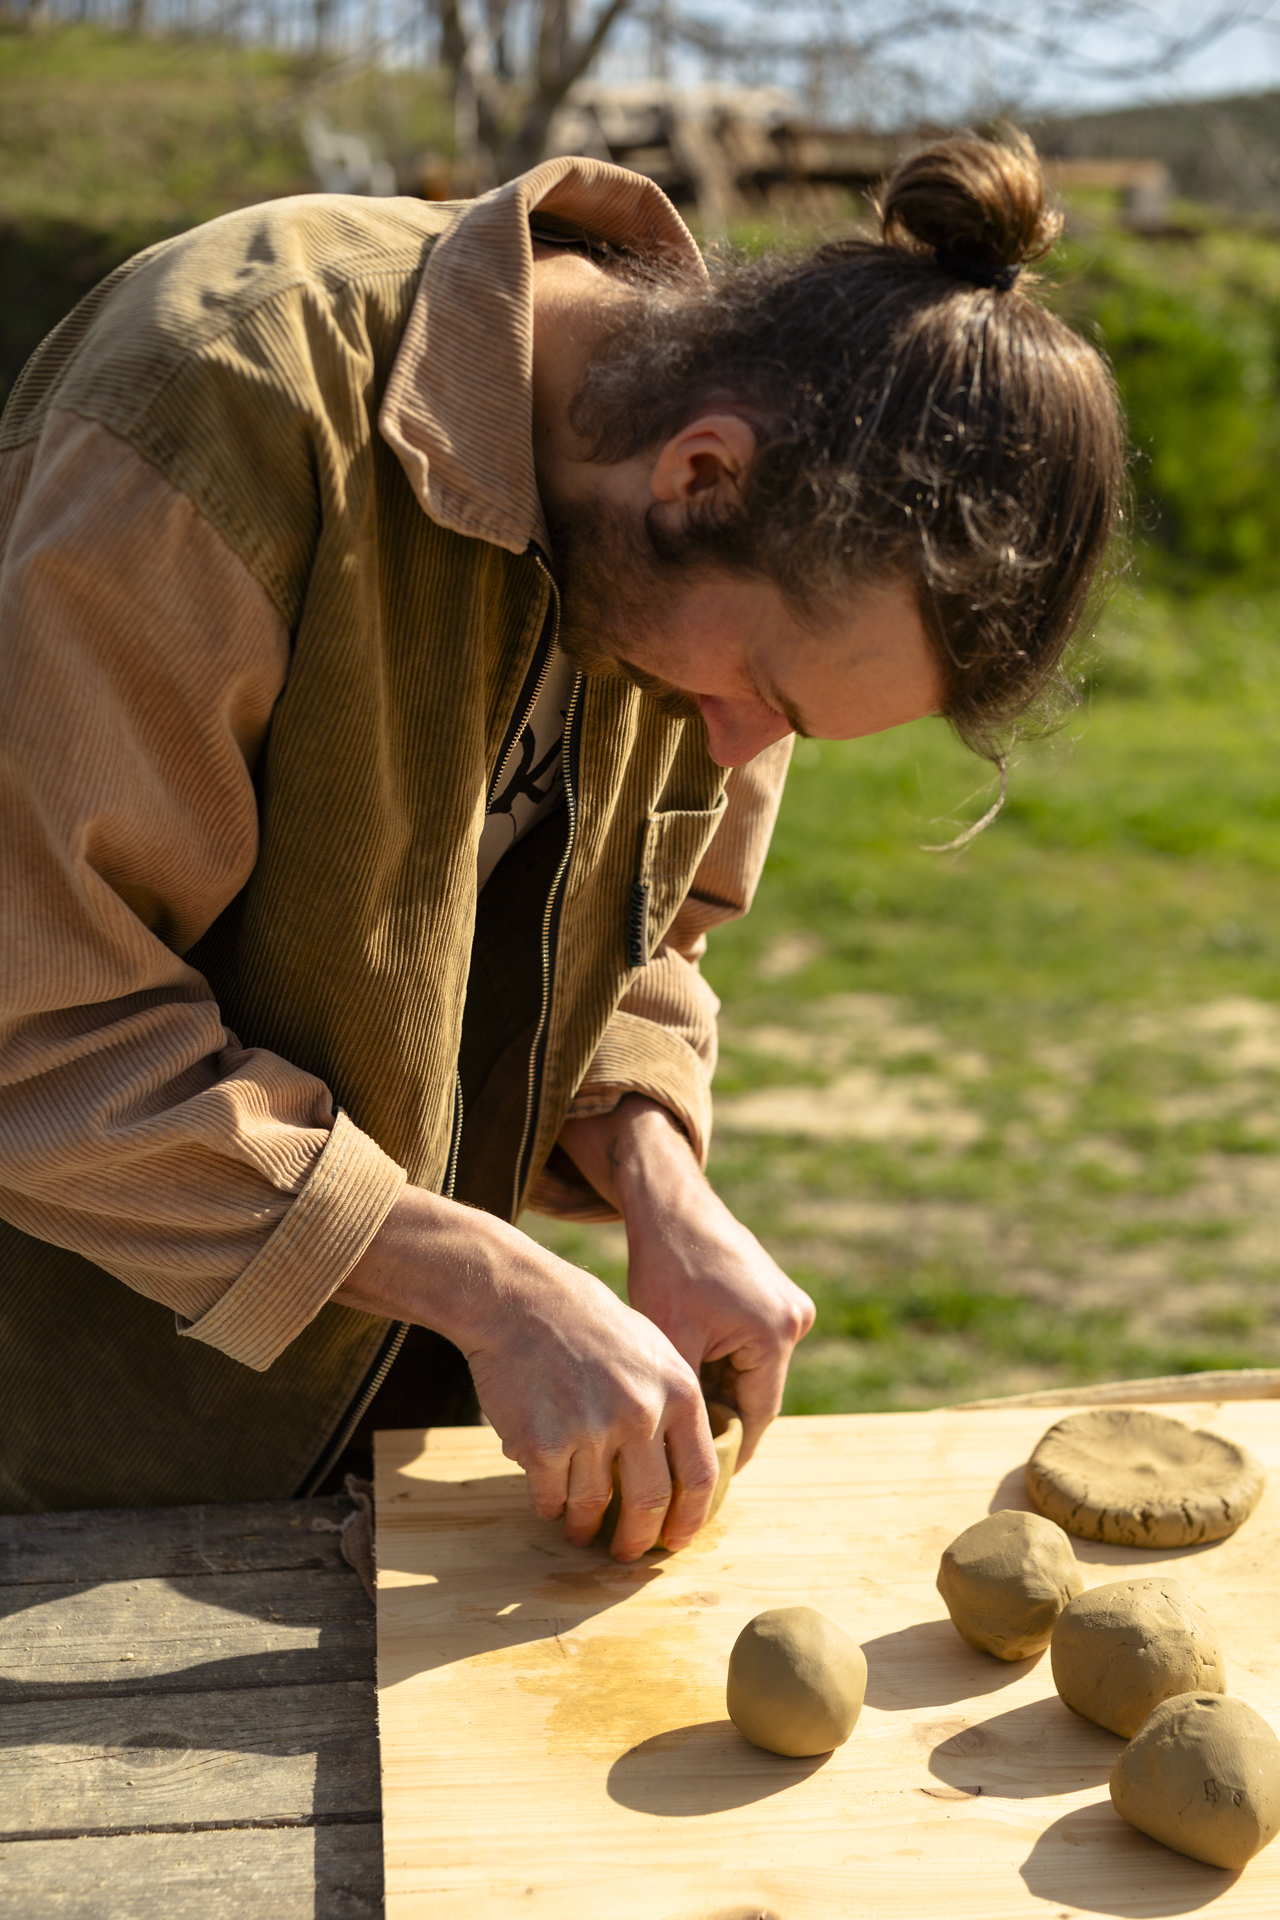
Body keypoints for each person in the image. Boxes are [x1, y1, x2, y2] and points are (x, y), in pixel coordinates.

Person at [0, 130, 1123, 1555]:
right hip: (94, 1461)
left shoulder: (695, 532)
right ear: (704, 473)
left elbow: (645, 930)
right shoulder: (220, 408)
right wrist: (484, 1281)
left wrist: (655, 1167)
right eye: (760, 696)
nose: (730, 751)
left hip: (410, 1422)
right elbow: (36, 1024)